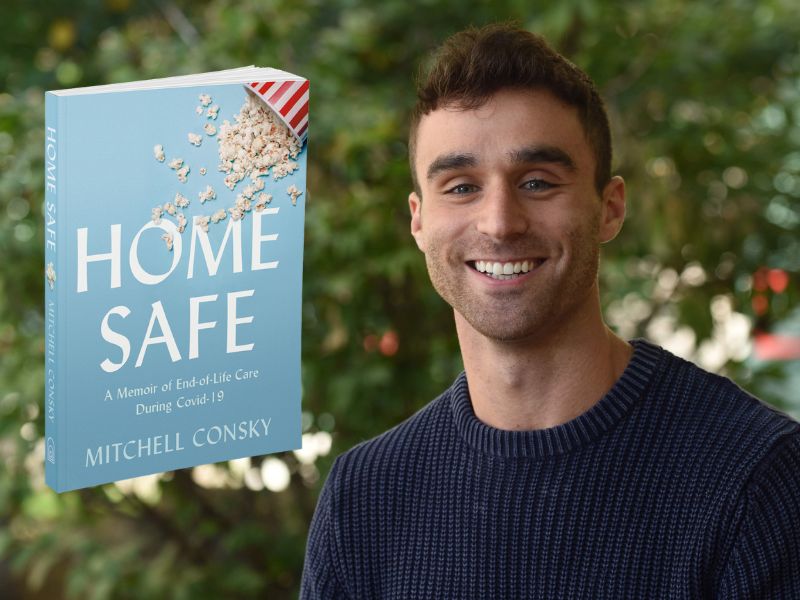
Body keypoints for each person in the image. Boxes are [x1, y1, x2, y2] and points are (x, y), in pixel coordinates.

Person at [301, 23, 800, 599]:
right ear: (418, 220)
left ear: (609, 208)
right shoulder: (364, 499)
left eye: (537, 182)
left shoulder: (755, 478)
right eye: (461, 187)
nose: (499, 222)